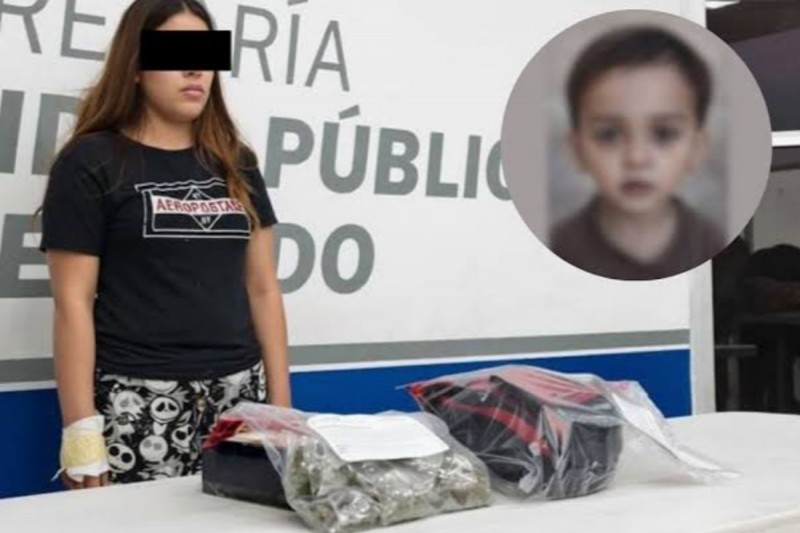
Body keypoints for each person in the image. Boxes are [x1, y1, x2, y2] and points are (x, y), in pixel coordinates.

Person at [39, 0, 291, 489]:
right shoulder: (90, 161)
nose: (195, 69)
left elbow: (263, 289)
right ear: (134, 66)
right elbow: (73, 302)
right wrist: (81, 431)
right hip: (135, 405)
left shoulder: (237, 162)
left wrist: (280, 411)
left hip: (239, 399)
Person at [549, 26, 726, 280]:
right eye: (609, 135)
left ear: (698, 148)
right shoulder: (557, 247)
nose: (636, 158)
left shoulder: (713, 244)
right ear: (577, 149)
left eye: (664, 134)